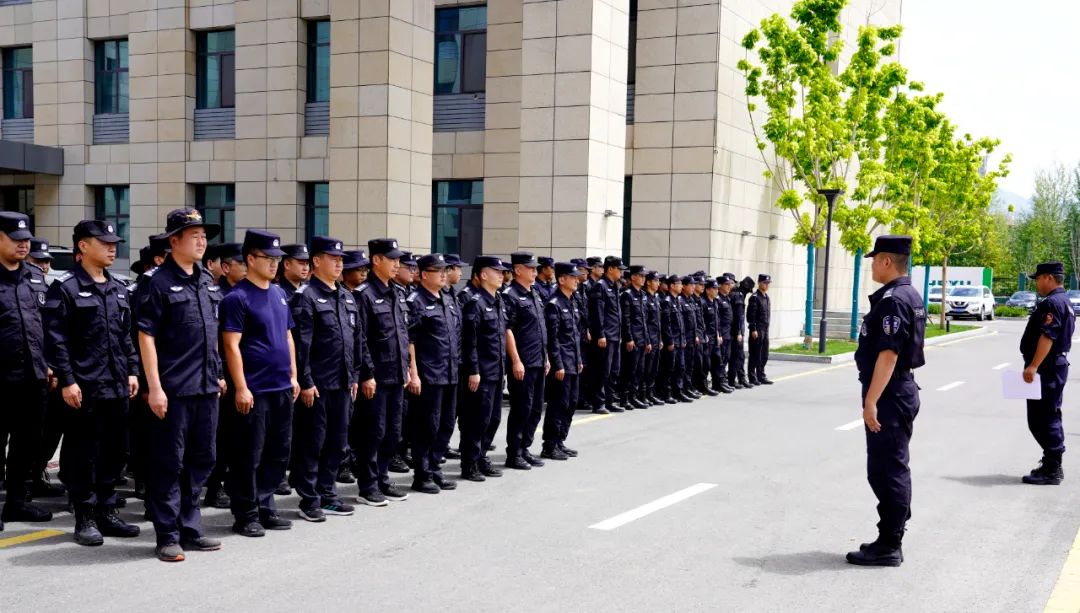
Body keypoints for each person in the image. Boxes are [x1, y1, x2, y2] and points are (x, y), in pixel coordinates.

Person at [43, 220, 140, 547]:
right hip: (84, 386)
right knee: (83, 450)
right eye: (105, 242)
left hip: (116, 384)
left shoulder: (116, 287)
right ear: (83, 246)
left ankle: (107, 511)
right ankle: (84, 515)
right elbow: (56, 340)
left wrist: (132, 370)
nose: (113, 247)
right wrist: (67, 380)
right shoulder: (66, 288)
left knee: (115, 450)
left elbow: (125, 336)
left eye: (114, 242)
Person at [138, 208, 226, 562]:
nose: (202, 241)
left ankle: (191, 528)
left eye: (204, 235)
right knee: (168, 463)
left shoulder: (205, 280)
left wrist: (217, 373)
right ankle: (167, 535)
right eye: (194, 235)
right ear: (174, 241)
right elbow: (146, 337)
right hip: (174, 389)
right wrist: (154, 387)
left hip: (205, 388)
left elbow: (210, 334)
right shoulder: (156, 282)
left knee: (201, 459)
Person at [846, 235, 925, 568]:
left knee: (886, 470)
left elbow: (889, 355)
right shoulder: (908, 294)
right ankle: (889, 535)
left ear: (887, 262)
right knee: (889, 467)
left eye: (875, 259)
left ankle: (890, 543)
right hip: (898, 391)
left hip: (890, 394)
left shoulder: (893, 300)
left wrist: (871, 402)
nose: (873, 265)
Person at [219, 230, 300, 537]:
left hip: (281, 386)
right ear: (250, 259)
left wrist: (293, 375)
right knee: (248, 454)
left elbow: (288, 335)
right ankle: (246, 513)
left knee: (278, 452)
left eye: (277, 259)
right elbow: (231, 345)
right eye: (268, 259)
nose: (274, 265)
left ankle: (266, 507)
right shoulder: (236, 298)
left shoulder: (279, 293)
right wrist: (240, 387)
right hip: (255, 389)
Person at [289, 236, 360, 521]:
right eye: (334, 258)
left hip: (342, 382)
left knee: (337, 442)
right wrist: (305, 381)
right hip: (317, 384)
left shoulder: (345, 295)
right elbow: (301, 344)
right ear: (317, 261)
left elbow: (354, 339)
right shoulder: (305, 297)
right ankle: (309, 499)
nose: (339, 263)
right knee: (312, 442)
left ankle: (328, 493)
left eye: (341, 259)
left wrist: (354, 375)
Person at [0, 212, 54, 532]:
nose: (24, 245)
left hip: (33, 378)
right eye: (16, 239)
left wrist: (51, 365)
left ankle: (17, 503)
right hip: (1, 379)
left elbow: (46, 326)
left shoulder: (34, 276)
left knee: (27, 443)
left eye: (26, 240)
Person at [354, 238, 415, 506]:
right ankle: (368, 484)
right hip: (377, 377)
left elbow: (403, 335)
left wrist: (408, 370)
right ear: (376, 260)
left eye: (398, 260)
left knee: (393, 432)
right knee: (373, 432)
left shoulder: (398, 293)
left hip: (397, 375)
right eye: (392, 259)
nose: (397, 264)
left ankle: (382, 477)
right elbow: (361, 339)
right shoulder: (364, 294)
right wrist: (367, 374)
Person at [405, 253, 462, 493]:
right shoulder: (415, 301)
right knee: (427, 426)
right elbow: (410, 341)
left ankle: (435, 468)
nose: (443, 274)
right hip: (429, 374)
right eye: (438, 270)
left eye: (444, 270)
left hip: (449, 372)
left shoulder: (448, 299)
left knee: (446, 424)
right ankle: (422, 474)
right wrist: (414, 374)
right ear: (424, 274)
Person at [1019, 261, 1076, 485]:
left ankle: (1053, 468)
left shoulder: (1053, 303)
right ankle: (1051, 462)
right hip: (1052, 366)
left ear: (1049, 278)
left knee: (1044, 417)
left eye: (1039, 279)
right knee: (1045, 415)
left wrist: (1033, 366)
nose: (1037, 284)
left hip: (1048, 367)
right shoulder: (1064, 301)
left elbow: (1048, 336)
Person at [459, 256, 510, 481]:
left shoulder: (497, 300)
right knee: (476, 420)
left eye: (501, 272)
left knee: (494, 418)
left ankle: (481, 456)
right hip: (481, 372)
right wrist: (473, 370)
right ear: (482, 275)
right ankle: (470, 463)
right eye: (495, 271)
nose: (501, 275)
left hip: (497, 370)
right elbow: (469, 341)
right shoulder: (475, 302)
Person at [503, 251, 550, 469]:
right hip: (523, 362)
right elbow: (508, 330)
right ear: (518, 270)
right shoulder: (510, 295)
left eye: (535, 268)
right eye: (530, 268)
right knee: (522, 408)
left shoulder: (535, 293)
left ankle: (525, 448)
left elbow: (540, 329)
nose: (534, 271)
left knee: (536, 408)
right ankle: (514, 452)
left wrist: (546, 357)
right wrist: (516, 360)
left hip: (538, 360)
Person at [543, 262, 585, 460]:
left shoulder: (572, 301)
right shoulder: (554, 304)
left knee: (571, 403)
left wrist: (579, 359)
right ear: (561, 280)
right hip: (562, 364)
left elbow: (574, 335)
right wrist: (558, 364)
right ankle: (550, 445)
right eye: (573, 277)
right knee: (558, 404)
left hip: (573, 361)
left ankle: (560, 441)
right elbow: (553, 339)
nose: (577, 280)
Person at [588, 256, 626, 413]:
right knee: (603, 370)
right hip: (606, 336)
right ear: (610, 269)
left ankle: (610, 401)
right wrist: (601, 334)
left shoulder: (614, 286)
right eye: (619, 269)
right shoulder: (600, 286)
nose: (622, 273)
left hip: (615, 335)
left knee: (614, 370)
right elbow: (597, 313)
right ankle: (599, 403)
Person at [619, 265, 649, 410]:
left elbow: (644, 320)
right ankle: (625, 398)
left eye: (644, 276)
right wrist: (629, 338)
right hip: (633, 338)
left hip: (642, 338)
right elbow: (626, 319)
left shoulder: (642, 295)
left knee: (639, 370)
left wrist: (647, 340)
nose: (643, 279)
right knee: (629, 370)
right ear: (633, 277)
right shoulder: (627, 294)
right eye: (641, 276)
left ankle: (634, 396)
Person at [659, 275, 689, 404]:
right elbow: (666, 324)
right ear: (672, 285)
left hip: (680, 340)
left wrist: (683, 339)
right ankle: (667, 393)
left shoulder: (678, 300)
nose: (681, 286)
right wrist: (670, 341)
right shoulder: (666, 301)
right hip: (672, 341)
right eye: (679, 284)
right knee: (669, 368)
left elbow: (681, 322)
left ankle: (679, 391)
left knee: (680, 367)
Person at [640, 270, 664, 406]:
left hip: (656, 338)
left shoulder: (655, 297)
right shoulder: (645, 298)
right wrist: (648, 340)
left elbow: (657, 322)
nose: (658, 283)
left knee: (654, 369)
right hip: (647, 338)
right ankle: (642, 395)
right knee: (646, 369)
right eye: (655, 281)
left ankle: (650, 393)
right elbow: (645, 322)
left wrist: (659, 339)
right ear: (649, 283)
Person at [728, 276, 754, 389]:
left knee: (739, 356)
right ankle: (734, 379)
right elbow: (738, 317)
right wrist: (739, 332)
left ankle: (739, 378)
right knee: (737, 356)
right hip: (736, 332)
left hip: (735, 331)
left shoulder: (736, 294)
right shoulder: (738, 296)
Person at [710, 277, 735, 393]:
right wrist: (719, 333)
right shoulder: (718, 299)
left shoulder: (727, 298)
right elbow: (717, 319)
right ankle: (718, 383)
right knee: (720, 360)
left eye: (730, 284)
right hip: (721, 334)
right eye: (726, 284)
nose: (729, 286)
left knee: (725, 358)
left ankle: (721, 382)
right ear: (720, 286)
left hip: (727, 332)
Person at [747, 274, 773, 385]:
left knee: (764, 354)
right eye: (764, 283)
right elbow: (750, 315)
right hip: (757, 329)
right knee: (755, 354)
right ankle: (752, 377)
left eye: (768, 283)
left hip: (765, 329)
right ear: (759, 283)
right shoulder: (754, 297)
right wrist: (753, 329)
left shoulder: (766, 297)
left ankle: (761, 375)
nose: (766, 285)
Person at [679, 276, 701, 400]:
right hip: (684, 339)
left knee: (690, 366)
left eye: (694, 285)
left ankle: (688, 387)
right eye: (691, 285)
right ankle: (682, 390)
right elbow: (681, 323)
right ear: (684, 286)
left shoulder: (691, 300)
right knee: (683, 366)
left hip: (692, 338)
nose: (693, 287)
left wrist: (696, 335)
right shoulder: (681, 301)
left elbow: (694, 321)